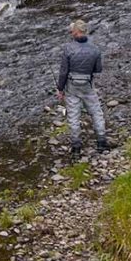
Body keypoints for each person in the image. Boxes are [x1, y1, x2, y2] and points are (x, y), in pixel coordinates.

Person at [56, 19, 110, 160]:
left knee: (73, 115)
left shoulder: (68, 48)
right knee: (96, 112)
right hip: (87, 84)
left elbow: (63, 71)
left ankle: (76, 147)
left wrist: (60, 89)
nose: (71, 32)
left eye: (72, 30)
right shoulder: (95, 50)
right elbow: (98, 70)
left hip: (72, 85)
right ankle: (101, 142)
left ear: (77, 31)